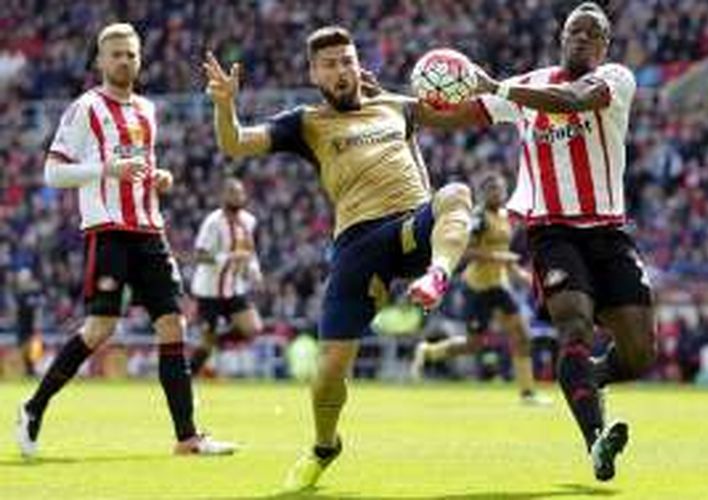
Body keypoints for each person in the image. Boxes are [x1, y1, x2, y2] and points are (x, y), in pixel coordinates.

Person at [204, 26, 476, 492]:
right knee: (328, 373)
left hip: (411, 226)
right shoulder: (305, 122)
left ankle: (436, 275)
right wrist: (224, 103)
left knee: (456, 193)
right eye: (329, 64)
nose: (341, 70)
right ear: (314, 73)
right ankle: (325, 445)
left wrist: (494, 89)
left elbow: (466, 114)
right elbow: (235, 143)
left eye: (347, 61)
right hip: (357, 244)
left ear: (358, 64)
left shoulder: (396, 106)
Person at [16, 22, 236, 458]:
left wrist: (158, 178)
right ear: (100, 60)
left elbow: (136, 167)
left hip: (150, 231)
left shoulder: (146, 111)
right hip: (108, 232)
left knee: (174, 325)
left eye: (130, 54)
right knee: (101, 329)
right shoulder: (86, 108)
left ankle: (187, 437)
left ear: (140, 59)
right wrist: (103, 171)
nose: (123, 60)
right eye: (115, 53)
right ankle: (33, 407)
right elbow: (52, 172)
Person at [464, 2, 657, 481]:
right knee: (573, 326)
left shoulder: (615, 78)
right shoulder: (529, 87)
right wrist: (391, 102)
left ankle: (591, 377)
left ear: (606, 46)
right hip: (551, 230)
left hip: (608, 231)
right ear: (561, 37)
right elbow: (460, 112)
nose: (583, 38)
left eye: (594, 34)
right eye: (576, 31)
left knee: (639, 353)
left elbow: (575, 100)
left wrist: (500, 86)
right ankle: (595, 441)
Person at [411, 174, 550, 406]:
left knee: (522, 335)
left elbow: (505, 254)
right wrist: (497, 256)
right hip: (476, 287)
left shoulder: (506, 217)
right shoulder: (477, 218)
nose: (497, 193)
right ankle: (428, 352)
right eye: (492, 190)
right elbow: (464, 252)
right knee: (473, 344)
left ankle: (527, 393)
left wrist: (521, 275)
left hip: (500, 284)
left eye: (500, 189)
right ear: (483, 194)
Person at [189, 177, 264, 376]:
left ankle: (216, 339)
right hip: (208, 291)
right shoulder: (213, 222)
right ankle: (187, 380)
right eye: (233, 192)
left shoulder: (249, 221)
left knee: (253, 328)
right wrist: (229, 257)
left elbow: (250, 250)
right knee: (205, 344)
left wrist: (254, 269)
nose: (238, 196)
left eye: (240, 192)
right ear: (223, 196)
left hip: (234, 288)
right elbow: (199, 255)